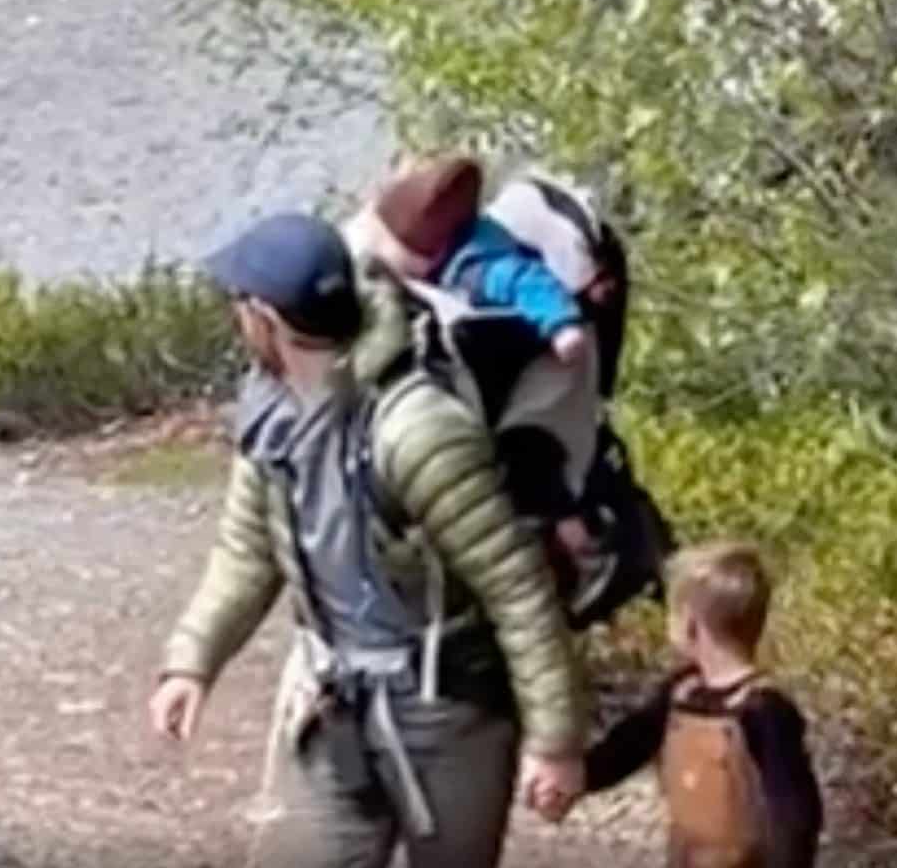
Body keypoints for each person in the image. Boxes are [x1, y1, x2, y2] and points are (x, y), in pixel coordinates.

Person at [148, 211, 589, 868]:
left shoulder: (419, 429)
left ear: (267, 318)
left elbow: (516, 588)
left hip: (450, 709)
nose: (236, 320)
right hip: (334, 702)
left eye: (239, 306)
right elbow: (245, 552)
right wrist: (192, 661)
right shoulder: (269, 413)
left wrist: (555, 741)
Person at [342, 156, 611, 611]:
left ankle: (580, 546)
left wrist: (561, 325)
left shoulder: (478, 266)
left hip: (539, 380)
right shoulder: (447, 237)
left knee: (536, 471)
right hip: (506, 367)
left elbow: (532, 282)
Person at [543, 540, 824, 868]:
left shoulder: (764, 710)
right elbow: (628, 746)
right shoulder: (681, 693)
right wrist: (578, 777)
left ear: (691, 625)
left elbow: (794, 813)